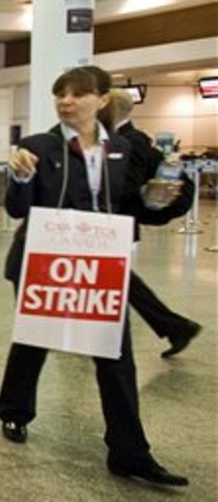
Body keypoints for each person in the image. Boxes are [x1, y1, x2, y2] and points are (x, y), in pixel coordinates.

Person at [0, 66, 188, 488]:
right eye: (60, 94)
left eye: (78, 94)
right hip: (44, 261)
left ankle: (129, 451)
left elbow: (132, 205)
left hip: (101, 264)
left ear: (101, 100)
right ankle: (14, 411)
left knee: (115, 353)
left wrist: (161, 200)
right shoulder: (38, 147)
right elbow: (17, 208)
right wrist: (22, 178)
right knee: (35, 339)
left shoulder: (121, 149)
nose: (67, 101)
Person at [104, 88, 202, 358]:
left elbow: (128, 188)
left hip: (116, 223)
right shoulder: (130, 138)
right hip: (114, 223)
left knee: (119, 279)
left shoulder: (130, 142)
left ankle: (175, 326)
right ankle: (174, 326)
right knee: (117, 279)